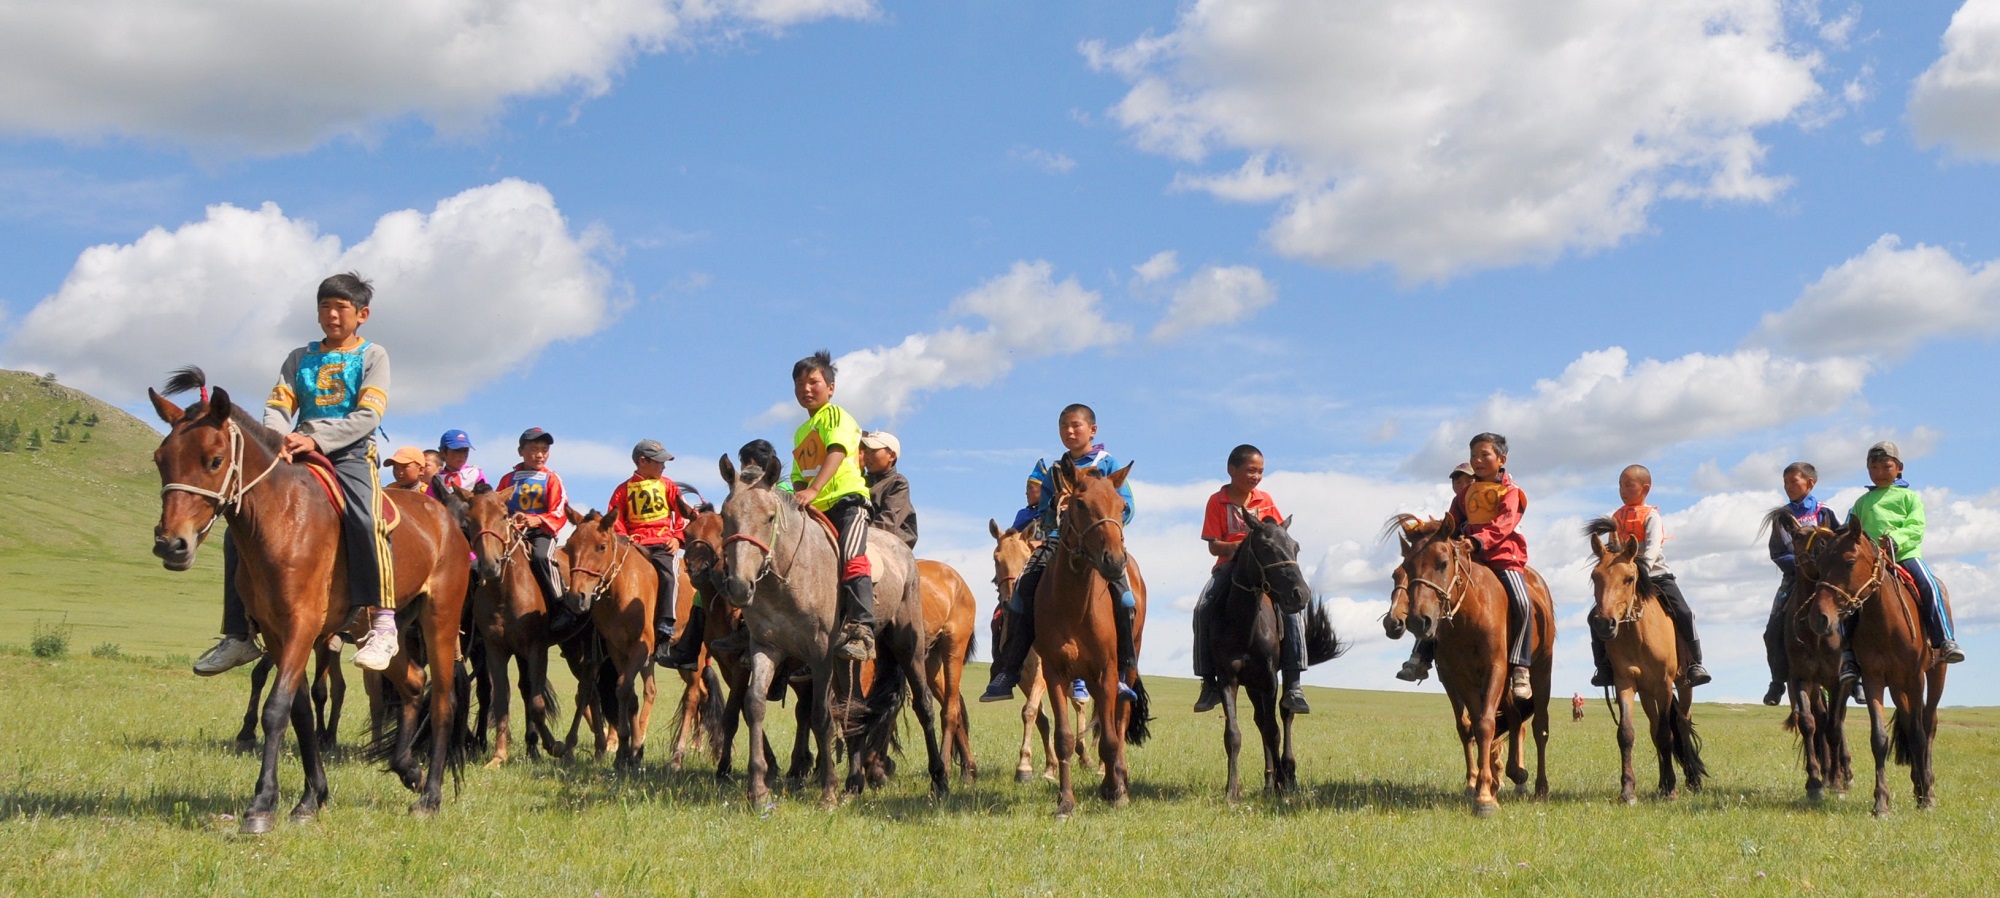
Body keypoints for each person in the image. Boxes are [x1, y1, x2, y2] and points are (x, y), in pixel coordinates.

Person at [191, 272, 399, 675]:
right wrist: (279, 438)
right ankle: (238, 634)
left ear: (362, 314)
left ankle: (383, 623)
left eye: (341, 308)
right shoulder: (298, 357)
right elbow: (278, 403)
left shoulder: (375, 355)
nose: (332, 315)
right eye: (325, 307)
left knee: (367, 518)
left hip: (351, 454)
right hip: (294, 450)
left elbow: (369, 414)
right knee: (241, 521)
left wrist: (317, 439)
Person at [981, 403, 1139, 704]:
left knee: (1126, 597)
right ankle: (1008, 670)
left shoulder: (1109, 464)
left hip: (1101, 543)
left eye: (1076, 425)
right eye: (1063, 426)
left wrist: (1108, 524)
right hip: (1060, 542)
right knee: (1022, 591)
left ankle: (1122, 672)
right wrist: (1057, 514)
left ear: (1092, 430)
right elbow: (1043, 514)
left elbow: (1127, 506)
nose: (1069, 431)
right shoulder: (1054, 470)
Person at [1190, 444, 1310, 714]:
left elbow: (1279, 533)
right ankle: (1209, 683)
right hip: (1228, 568)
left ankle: (1294, 684)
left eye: (1260, 471)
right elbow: (1213, 545)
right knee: (1202, 609)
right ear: (1232, 470)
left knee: (1292, 614)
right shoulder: (1216, 501)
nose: (1255, 476)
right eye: (1250, 470)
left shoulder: (1265, 499)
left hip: (1264, 570)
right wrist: (1236, 548)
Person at [1843, 441, 1963, 687]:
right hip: (1872, 561)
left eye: (1885, 466)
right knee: (1848, 598)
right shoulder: (1862, 502)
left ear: (1899, 468)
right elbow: (1849, 530)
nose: (1879, 472)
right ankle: (1848, 654)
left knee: (1930, 586)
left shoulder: (1910, 497)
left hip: (1904, 556)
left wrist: (1895, 540)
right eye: (1873, 467)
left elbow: (1916, 526)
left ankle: (1944, 640)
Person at [785, 351, 879, 661]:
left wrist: (812, 490)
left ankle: (863, 630)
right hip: (814, 510)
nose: (806, 389)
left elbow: (836, 452)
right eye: (799, 384)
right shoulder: (801, 432)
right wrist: (801, 496)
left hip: (847, 504)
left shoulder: (836, 415)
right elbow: (797, 475)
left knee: (852, 556)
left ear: (831, 387)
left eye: (813, 382)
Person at [1587, 465, 1710, 688]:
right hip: (1624, 579)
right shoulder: (1616, 518)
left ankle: (1695, 663)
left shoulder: (1651, 516)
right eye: (1620, 485)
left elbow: (1653, 548)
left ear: (1645, 488)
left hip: (1656, 576)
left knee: (1684, 611)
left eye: (1628, 485)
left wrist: (1640, 568)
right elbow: (1614, 550)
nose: (1622, 490)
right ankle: (1604, 666)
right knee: (1594, 616)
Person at [1452, 433, 1535, 703]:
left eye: (1484, 455)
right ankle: (1421, 654)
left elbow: (1505, 523)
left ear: (1501, 459)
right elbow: (1452, 521)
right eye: (1473, 455)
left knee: (1523, 603)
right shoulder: (1464, 494)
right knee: (1438, 594)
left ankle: (1521, 667)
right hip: (1469, 557)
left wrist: (1478, 541)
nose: (1477, 460)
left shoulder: (1511, 492)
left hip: (1503, 556)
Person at [607, 439, 698, 664]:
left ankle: (666, 625)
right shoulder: (623, 489)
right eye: (659, 462)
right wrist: (622, 537)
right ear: (642, 461)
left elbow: (683, 515)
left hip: (661, 543)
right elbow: (615, 518)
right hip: (634, 546)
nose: (663, 466)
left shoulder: (668, 485)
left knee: (669, 576)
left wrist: (677, 539)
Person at [1763, 461, 1840, 706]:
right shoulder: (1782, 516)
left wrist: (1823, 568)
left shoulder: (1824, 512)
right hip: (1794, 578)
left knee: (1853, 618)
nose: (1788, 487)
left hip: (1825, 579)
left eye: (1793, 481)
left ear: (1810, 482)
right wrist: (1801, 567)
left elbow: (1837, 543)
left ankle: (1854, 675)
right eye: (1785, 483)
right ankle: (1777, 681)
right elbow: (1778, 551)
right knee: (1773, 627)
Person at [1396, 462, 1474, 683]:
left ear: (1474, 481)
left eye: (1465, 479)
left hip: (1485, 553)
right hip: (1460, 558)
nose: (1460, 484)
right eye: (1456, 481)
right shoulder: (1456, 504)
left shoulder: (1482, 499)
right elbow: (1450, 529)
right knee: (1436, 600)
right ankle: (1421, 656)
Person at [496, 427, 571, 633]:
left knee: (541, 557)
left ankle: (561, 605)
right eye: (533, 449)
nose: (540, 455)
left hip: (540, 533)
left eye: (544, 450)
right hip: (511, 533)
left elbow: (559, 510)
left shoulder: (552, 478)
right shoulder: (507, 479)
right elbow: (496, 507)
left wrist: (536, 519)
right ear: (520, 451)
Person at [861, 430, 918, 550]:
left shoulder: (898, 483)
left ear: (891, 456)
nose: (867, 456)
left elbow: (888, 521)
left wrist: (857, 533)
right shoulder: (859, 481)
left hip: (893, 545)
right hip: (861, 536)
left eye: (873, 451)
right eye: (866, 451)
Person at [433, 429, 488, 494]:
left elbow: (487, 497)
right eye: (457, 450)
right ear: (443, 453)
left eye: (465, 450)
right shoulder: (437, 480)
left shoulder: (475, 473)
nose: (462, 455)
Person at [1007, 464, 1046, 538]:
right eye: (1026, 489)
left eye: (1030, 488)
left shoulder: (1052, 513)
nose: (1026, 493)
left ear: (1043, 489)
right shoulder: (1023, 514)